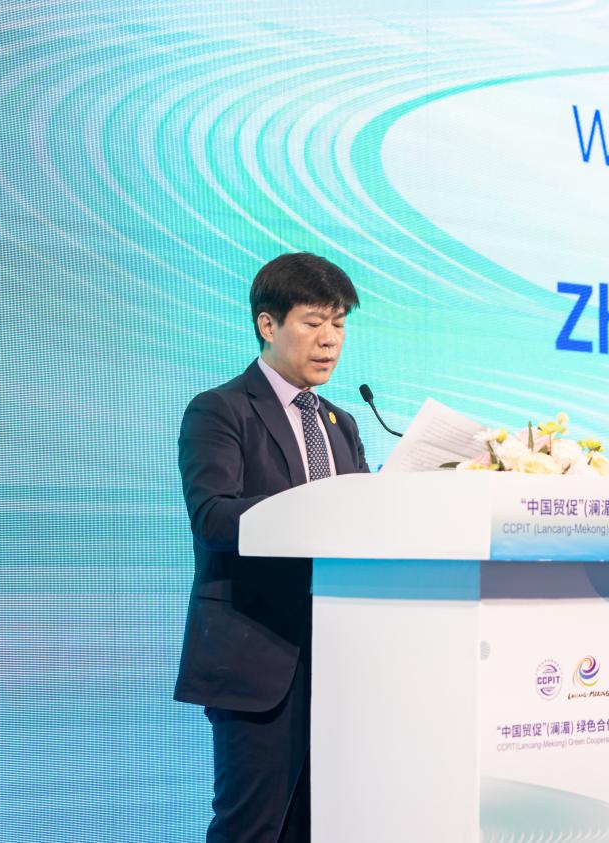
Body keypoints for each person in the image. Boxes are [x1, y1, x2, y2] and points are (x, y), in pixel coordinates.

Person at [174, 253, 369, 842]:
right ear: (267, 324)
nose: (330, 339)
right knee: (252, 828)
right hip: (258, 659)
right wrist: (316, 511)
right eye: (313, 322)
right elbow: (213, 518)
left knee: (322, 826)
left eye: (339, 324)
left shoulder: (342, 422)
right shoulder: (221, 409)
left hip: (341, 659)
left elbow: (363, 524)